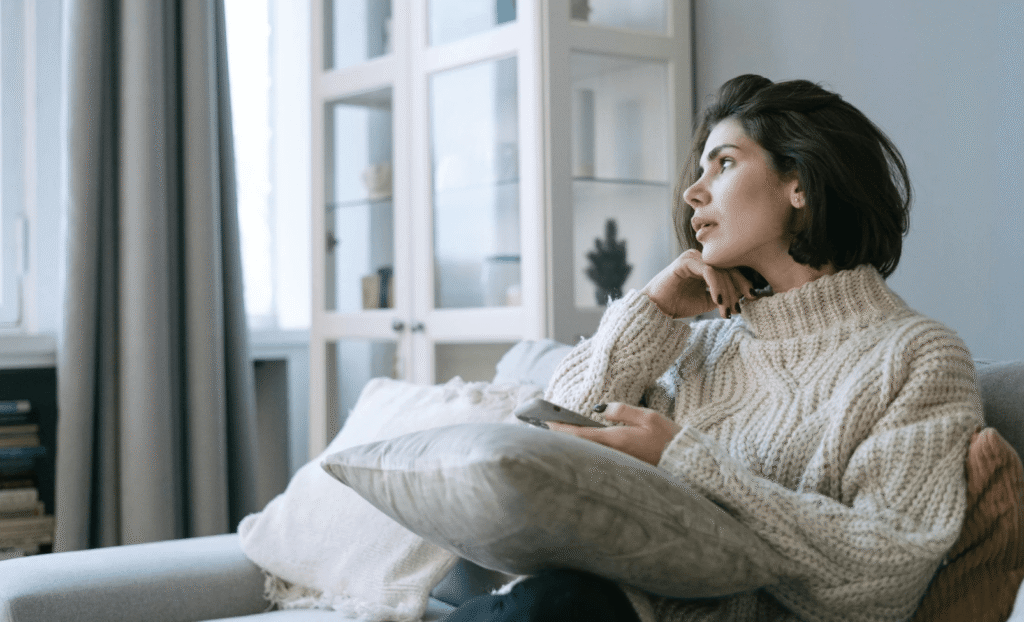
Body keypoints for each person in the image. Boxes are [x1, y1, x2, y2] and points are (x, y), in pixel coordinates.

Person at [443, 74, 984, 622]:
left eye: (723, 164)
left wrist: (684, 461)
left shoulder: (917, 355)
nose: (692, 191)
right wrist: (650, 310)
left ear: (799, 183)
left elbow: (886, 573)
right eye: (699, 169)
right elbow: (540, 453)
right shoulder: (698, 343)